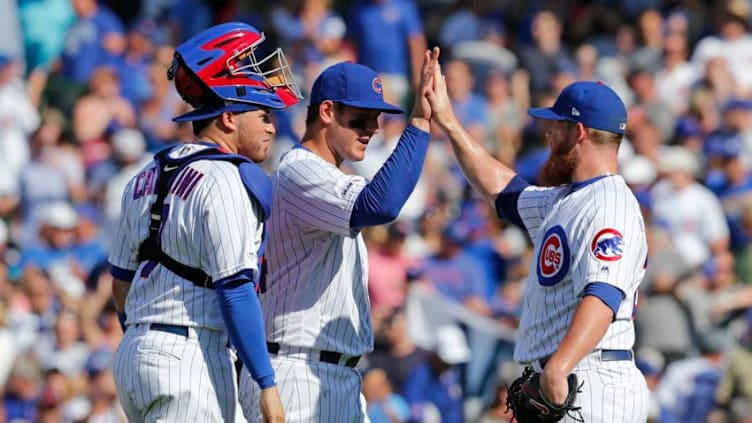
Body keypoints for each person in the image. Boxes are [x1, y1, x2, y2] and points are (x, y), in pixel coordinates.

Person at [425, 66, 650, 421]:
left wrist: (558, 368)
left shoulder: (610, 205)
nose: (548, 134)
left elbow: (604, 294)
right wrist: (449, 122)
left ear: (577, 132)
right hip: (571, 376)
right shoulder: (568, 199)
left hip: (592, 379)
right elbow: (504, 192)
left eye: (555, 125)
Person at [107, 22, 301, 423]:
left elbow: (121, 285)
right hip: (188, 355)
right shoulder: (225, 179)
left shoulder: (144, 174)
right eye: (263, 114)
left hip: (135, 355)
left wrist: (148, 339)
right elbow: (234, 289)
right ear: (228, 118)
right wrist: (267, 384)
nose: (272, 126)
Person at [240, 48, 440, 422]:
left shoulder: (328, 177)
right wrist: (421, 124)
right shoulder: (301, 170)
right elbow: (380, 205)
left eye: (377, 118)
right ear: (327, 112)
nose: (373, 128)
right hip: (296, 372)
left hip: (334, 374)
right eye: (361, 118)